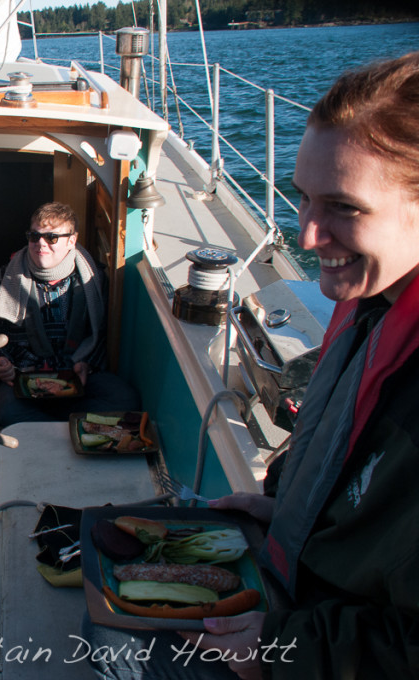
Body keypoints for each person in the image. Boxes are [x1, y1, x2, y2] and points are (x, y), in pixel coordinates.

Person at [87, 51, 419, 680]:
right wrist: (293, 510)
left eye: (344, 207)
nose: (308, 235)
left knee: (117, 641)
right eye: (303, 199)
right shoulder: (378, 308)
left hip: (311, 644)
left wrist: (277, 648)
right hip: (304, 585)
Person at [0, 202, 139, 426]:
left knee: (124, 398)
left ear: (72, 240)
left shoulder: (94, 278)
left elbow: (100, 331)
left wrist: (85, 365)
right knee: (7, 410)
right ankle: (71, 424)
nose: (41, 244)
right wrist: (0, 365)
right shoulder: (4, 278)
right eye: (34, 236)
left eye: (52, 237)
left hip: (75, 372)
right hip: (24, 375)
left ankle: (51, 424)